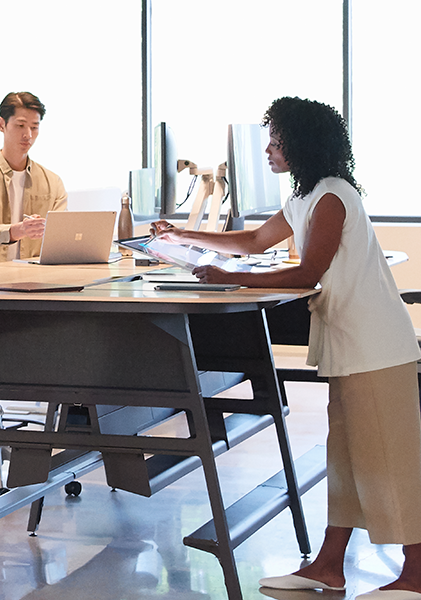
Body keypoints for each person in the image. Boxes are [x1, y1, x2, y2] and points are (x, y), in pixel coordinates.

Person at [152, 97, 421, 599]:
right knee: (347, 460)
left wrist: (230, 280)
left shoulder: (333, 196)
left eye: (276, 139)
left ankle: (416, 573)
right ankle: (328, 566)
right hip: (352, 346)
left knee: (390, 462)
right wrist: (181, 235)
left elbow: (307, 271)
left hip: (378, 348)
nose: (269, 148)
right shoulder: (306, 196)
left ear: (301, 143)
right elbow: (255, 241)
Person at [0, 92, 68, 265]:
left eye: (34, 127)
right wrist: (17, 230)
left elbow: (61, 237)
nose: (28, 135)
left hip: (37, 281)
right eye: (20, 125)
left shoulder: (53, 182)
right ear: (2, 125)